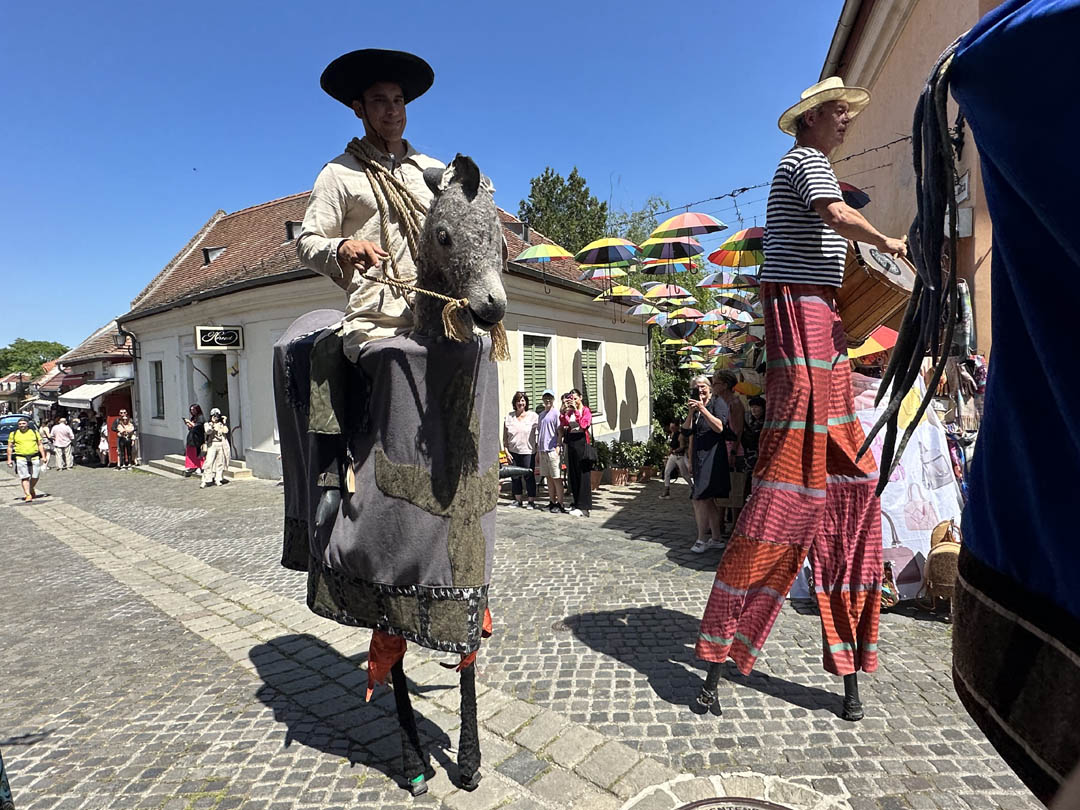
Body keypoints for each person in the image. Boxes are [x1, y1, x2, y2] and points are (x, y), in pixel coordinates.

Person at [694, 77, 908, 722]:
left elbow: (836, 244)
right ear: (809, 119)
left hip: (826, 323)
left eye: (845, 112)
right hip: (800, 316)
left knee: (854, 488)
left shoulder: (820, 169)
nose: (846, 120)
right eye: (837, 111)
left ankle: (849, 664)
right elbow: (836, 216)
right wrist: (887, 242)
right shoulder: (805, 163)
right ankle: (719, 657)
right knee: (785, 495)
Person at [296, 48, 445, 362]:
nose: (392, 111)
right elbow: (307, 243)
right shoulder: (338, 173)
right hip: (377, 325)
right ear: (358, 108)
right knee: (392, 375)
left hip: (439, 316)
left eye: (398, 100)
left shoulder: (433, 172)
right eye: (379, 101)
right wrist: (342, 248)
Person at [684, 375, 730, 553]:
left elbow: (719, 427)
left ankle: (701, 538)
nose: (700, 390)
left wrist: (703, 409)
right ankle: (716, 538)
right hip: (698, 457)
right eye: (696, 387)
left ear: (710, 387)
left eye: (703, 386)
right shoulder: (695, 408)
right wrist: (691, 412)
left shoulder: (717, 403)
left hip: (713, 457)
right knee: (707, 499)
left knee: (699, 498)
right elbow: (687, 433)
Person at [560, 388, 593, 518]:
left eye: (575, 398)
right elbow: (564, 424)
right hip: (572, 443)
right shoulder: (571, 412)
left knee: (583, 475)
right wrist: (564, 411)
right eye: (571, 399)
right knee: (573, 474)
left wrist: (577, 412)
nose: (573, 401)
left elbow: (584, 425)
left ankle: (584, 506)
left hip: (582, 443)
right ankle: (577, 502)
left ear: (580, 398)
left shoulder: (585, 411)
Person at [503, 391, 539, 509]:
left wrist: (538, 450)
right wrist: (506, 451)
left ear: (526, 403)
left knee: (529, 476)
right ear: (514, 403)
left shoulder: (533, 416)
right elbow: (505, 437)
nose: (520, 403)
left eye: (523, 400)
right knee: (515, 477)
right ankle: (518, 500)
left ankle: (531, 501)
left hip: (528, 451)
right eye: (518, 401)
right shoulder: (509, 417)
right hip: (513, 452)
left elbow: (539, 433)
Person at [536, 389, 566, 513]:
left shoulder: (556, 414)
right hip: (543, 451)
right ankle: (552, 501)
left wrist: (558, 446)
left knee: (556, 478)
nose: (547, 400)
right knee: (548, 478)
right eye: (545, 397)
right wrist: (538, 451)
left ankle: (560, 503)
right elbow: (539, 433)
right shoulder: (541, 415)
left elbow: (560, 431)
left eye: (550, 398)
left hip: (552, 450)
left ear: (553, 399)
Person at [6, 417, 48, 502]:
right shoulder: (13, 434)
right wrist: (9, 459)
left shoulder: (34, 432)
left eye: (23, 423)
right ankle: (28, 494)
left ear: (27, 424)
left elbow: (40, 444)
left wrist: (43, 456)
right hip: (20, 457)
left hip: (34, 457)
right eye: (20, 424)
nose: (22, 425)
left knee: (35, 476)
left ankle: (31, 488)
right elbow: (10, 447)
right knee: (24, 477)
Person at [659, 420, 692, 499]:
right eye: (671, 427)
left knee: (684, 474)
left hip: (680, 457)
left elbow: (682, 447)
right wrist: (669, 453)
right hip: (673, 456)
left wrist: (675, 450)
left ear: (677, 427)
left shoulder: (680, 435)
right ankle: (667, 491)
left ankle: (693, 487)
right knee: (667, 472)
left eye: (673, 427)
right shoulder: (673, 434)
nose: (672, 429)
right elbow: (672, 446)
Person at [201, 408, 229, 488]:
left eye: (217, 416)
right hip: (212, 444)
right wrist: (212, 424)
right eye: (214, 416)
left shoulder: (220, 424)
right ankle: (206, 479)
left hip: (221, 444)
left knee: (220, 462)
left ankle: (218, 479)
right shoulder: (207, 424)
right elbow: (208, 431)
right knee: (209, 462)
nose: (216, 417)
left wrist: (224, 422)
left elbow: (226, 431)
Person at [182, 404, 206, 477]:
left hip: (198, 438)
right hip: (192, 437)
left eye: (193, 410)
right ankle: (192, 466)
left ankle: (199, 466)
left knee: (198, 453)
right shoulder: (193, 417)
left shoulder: (200, 417)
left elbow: (197, 426)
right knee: (191, 453)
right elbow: (191, 427)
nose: (192, 411)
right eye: (191, 410)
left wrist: (189, 422)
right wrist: (188, 424)